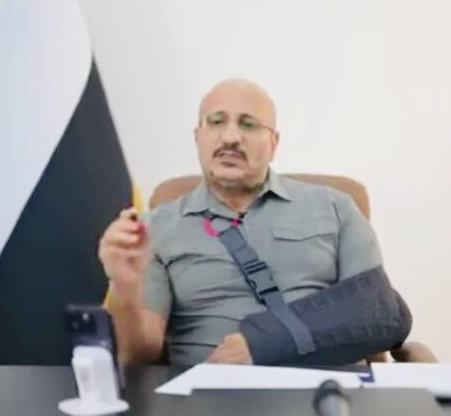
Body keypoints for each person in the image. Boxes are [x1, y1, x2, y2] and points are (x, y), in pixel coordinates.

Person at [98, 78, 411, 366]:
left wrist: (265, 344)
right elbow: (138, 355)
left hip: (326, 393)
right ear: (197, 137)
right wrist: (125, 288)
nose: (230, 137)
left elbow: (379, 311)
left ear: (273, 143)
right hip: (209, 395)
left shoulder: (335, 206)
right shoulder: (154, 228)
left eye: (248, 125)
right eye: (216, 122)